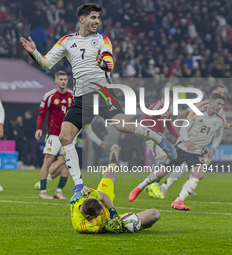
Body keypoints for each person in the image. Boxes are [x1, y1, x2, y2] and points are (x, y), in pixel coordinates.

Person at [20, 3, 177, 203]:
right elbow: (47, 63)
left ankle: (159, 138)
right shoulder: (66, 41)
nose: (96, 21)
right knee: (65, 136)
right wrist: (34, 52)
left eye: (97, 18)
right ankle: (79, 186)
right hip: (81, 98)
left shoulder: (102, 39)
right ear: (82, 19)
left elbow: (109, 64)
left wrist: (102, 62)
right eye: (93, 17)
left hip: (102, 92)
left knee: (123, 127)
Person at [129, 93, 225, 211]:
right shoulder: (196, 113)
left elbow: (219, 136)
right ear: (211, 102)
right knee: (161, 173)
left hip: (196, 152)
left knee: (199, 174)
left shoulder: (220, 120)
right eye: (219, 103)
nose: (220, 107)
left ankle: (179, 200)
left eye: (222, 105)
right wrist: (187, 140)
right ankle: (139, 187)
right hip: (182, 148)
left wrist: (213, 148)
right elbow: (184, 129)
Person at [158, 84, 230, 197]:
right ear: (213, 93)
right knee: (188, 163)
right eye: (220, 92)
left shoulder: (219, 108)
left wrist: (229, 125)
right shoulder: (202, 104)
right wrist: (174, 125)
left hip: (202, 141)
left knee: (203, 161)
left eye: (223, 93)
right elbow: (186, 113)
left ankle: (185, 185)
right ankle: (169, 185)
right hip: (192, 140)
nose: (222, 95)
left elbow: (222, 124)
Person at [71, 144, 160, 233]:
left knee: (110, 174)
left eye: (102, 208)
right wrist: (115, 227)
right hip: (107, 221)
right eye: (100, 212)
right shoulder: (82, 226)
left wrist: (112, 211)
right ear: (88, 216)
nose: (102, 212)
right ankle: (133, 226)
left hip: (104, 208)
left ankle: (112, 165)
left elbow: (104, 196)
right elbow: (105, 229)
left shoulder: (85, 193)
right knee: (154, 215)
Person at [35, 71, 74, 199]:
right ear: (56, 80)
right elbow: (42, 114)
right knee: (48, 161)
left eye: (65, 79)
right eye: (61, 79)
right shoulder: (49, 95)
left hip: (68, 136)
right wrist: (39, 128)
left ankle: (58, 191)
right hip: (53, 134)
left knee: (67, 164)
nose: (63, 81)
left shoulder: (72, 96)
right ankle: (43, 191)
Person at [142, 91, 179, 199]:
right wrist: (155, 132)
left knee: (168, 161)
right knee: (167, 161)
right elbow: (144, 121)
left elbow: (169, 126)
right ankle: (153, 185)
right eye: (170, 100)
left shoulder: (166, 109)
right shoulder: (156, 106)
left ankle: (149, 185)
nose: (172, 102)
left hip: (159, 138)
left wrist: (179, 138)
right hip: (152, 138)